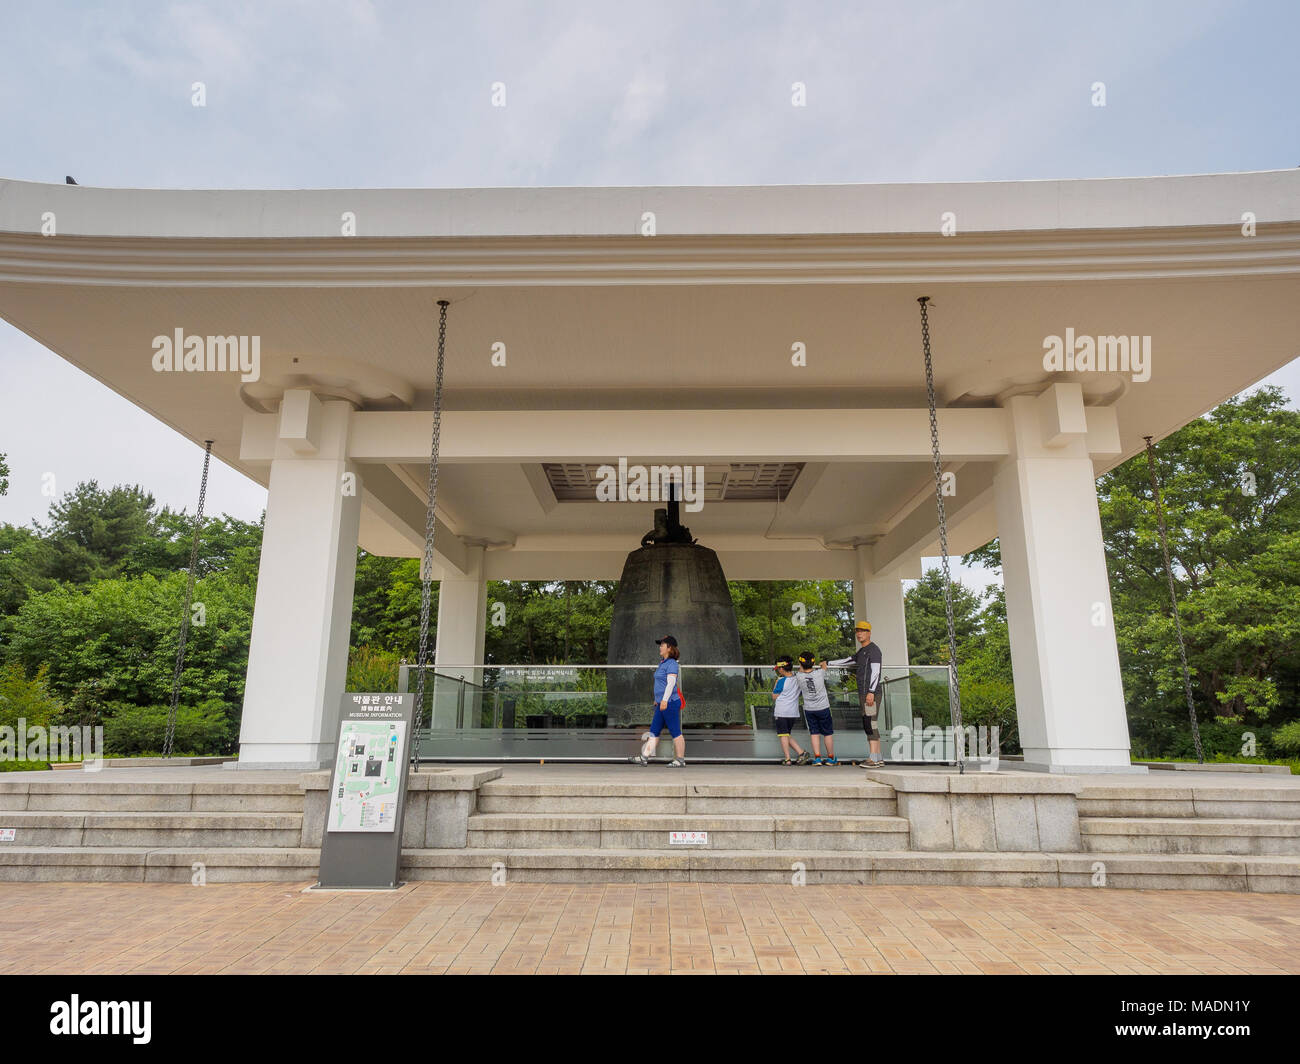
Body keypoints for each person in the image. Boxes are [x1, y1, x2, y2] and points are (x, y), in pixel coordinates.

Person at [826, 621, 885, 767]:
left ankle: (873, 759)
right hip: (864, 693)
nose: (859, 633)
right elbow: (849, 660)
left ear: (869, 633)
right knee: (870, 723)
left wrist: (871, 692)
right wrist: (829, 663)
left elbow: (876, 672)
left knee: (870, 724)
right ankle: (878, 757)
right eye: (857, 631)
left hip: (871, 693)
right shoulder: (862, 651)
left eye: (863, 631)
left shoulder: (874, 650)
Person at [631, 635, 686, 767]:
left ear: (669, 648)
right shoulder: (663, 663)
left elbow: (671, 683)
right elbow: (661, 684)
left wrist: (665, 700)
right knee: (654, 731)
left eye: (662, 645)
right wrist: (658, 700)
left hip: (670, 703)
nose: (660, 647)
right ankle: (644, 757)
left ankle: (680, 760)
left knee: (675, 731)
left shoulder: (672, 664)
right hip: (662, 703)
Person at [796, 651, 838, 765]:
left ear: (800, 663)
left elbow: (801, 670)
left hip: (809, 709)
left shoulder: (799, 676)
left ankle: (817, 758)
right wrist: (822, 663)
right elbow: (824, 666)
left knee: (814, 733)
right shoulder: (820, 673)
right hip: (823, 708)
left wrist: (801, 665)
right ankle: (830, 758)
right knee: (827, 733)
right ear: (813, 662)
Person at [771, 656, 810, 765]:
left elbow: (774, 696)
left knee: (783, 735)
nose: (778, 671)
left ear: (782, 669)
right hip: (793, 712)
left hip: (781, 711)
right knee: (786, 734)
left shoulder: (781, 681)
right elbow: (802, 671)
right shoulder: (798, 678)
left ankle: (787, 759)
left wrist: (776, 684)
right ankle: (801, 752)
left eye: (778, 669)